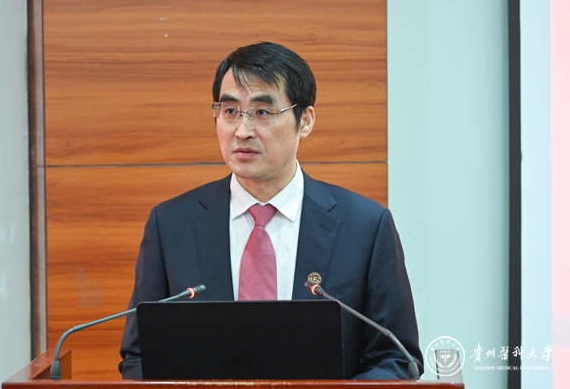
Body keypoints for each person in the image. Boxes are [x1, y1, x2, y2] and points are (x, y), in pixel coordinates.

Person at [119, 42, 423, 380]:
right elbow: (140, 358)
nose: (242, 131)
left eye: (262, 112)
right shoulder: (171, 225)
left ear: (305, 120)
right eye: (230, 111)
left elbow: (397, 359)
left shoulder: (365, 226)